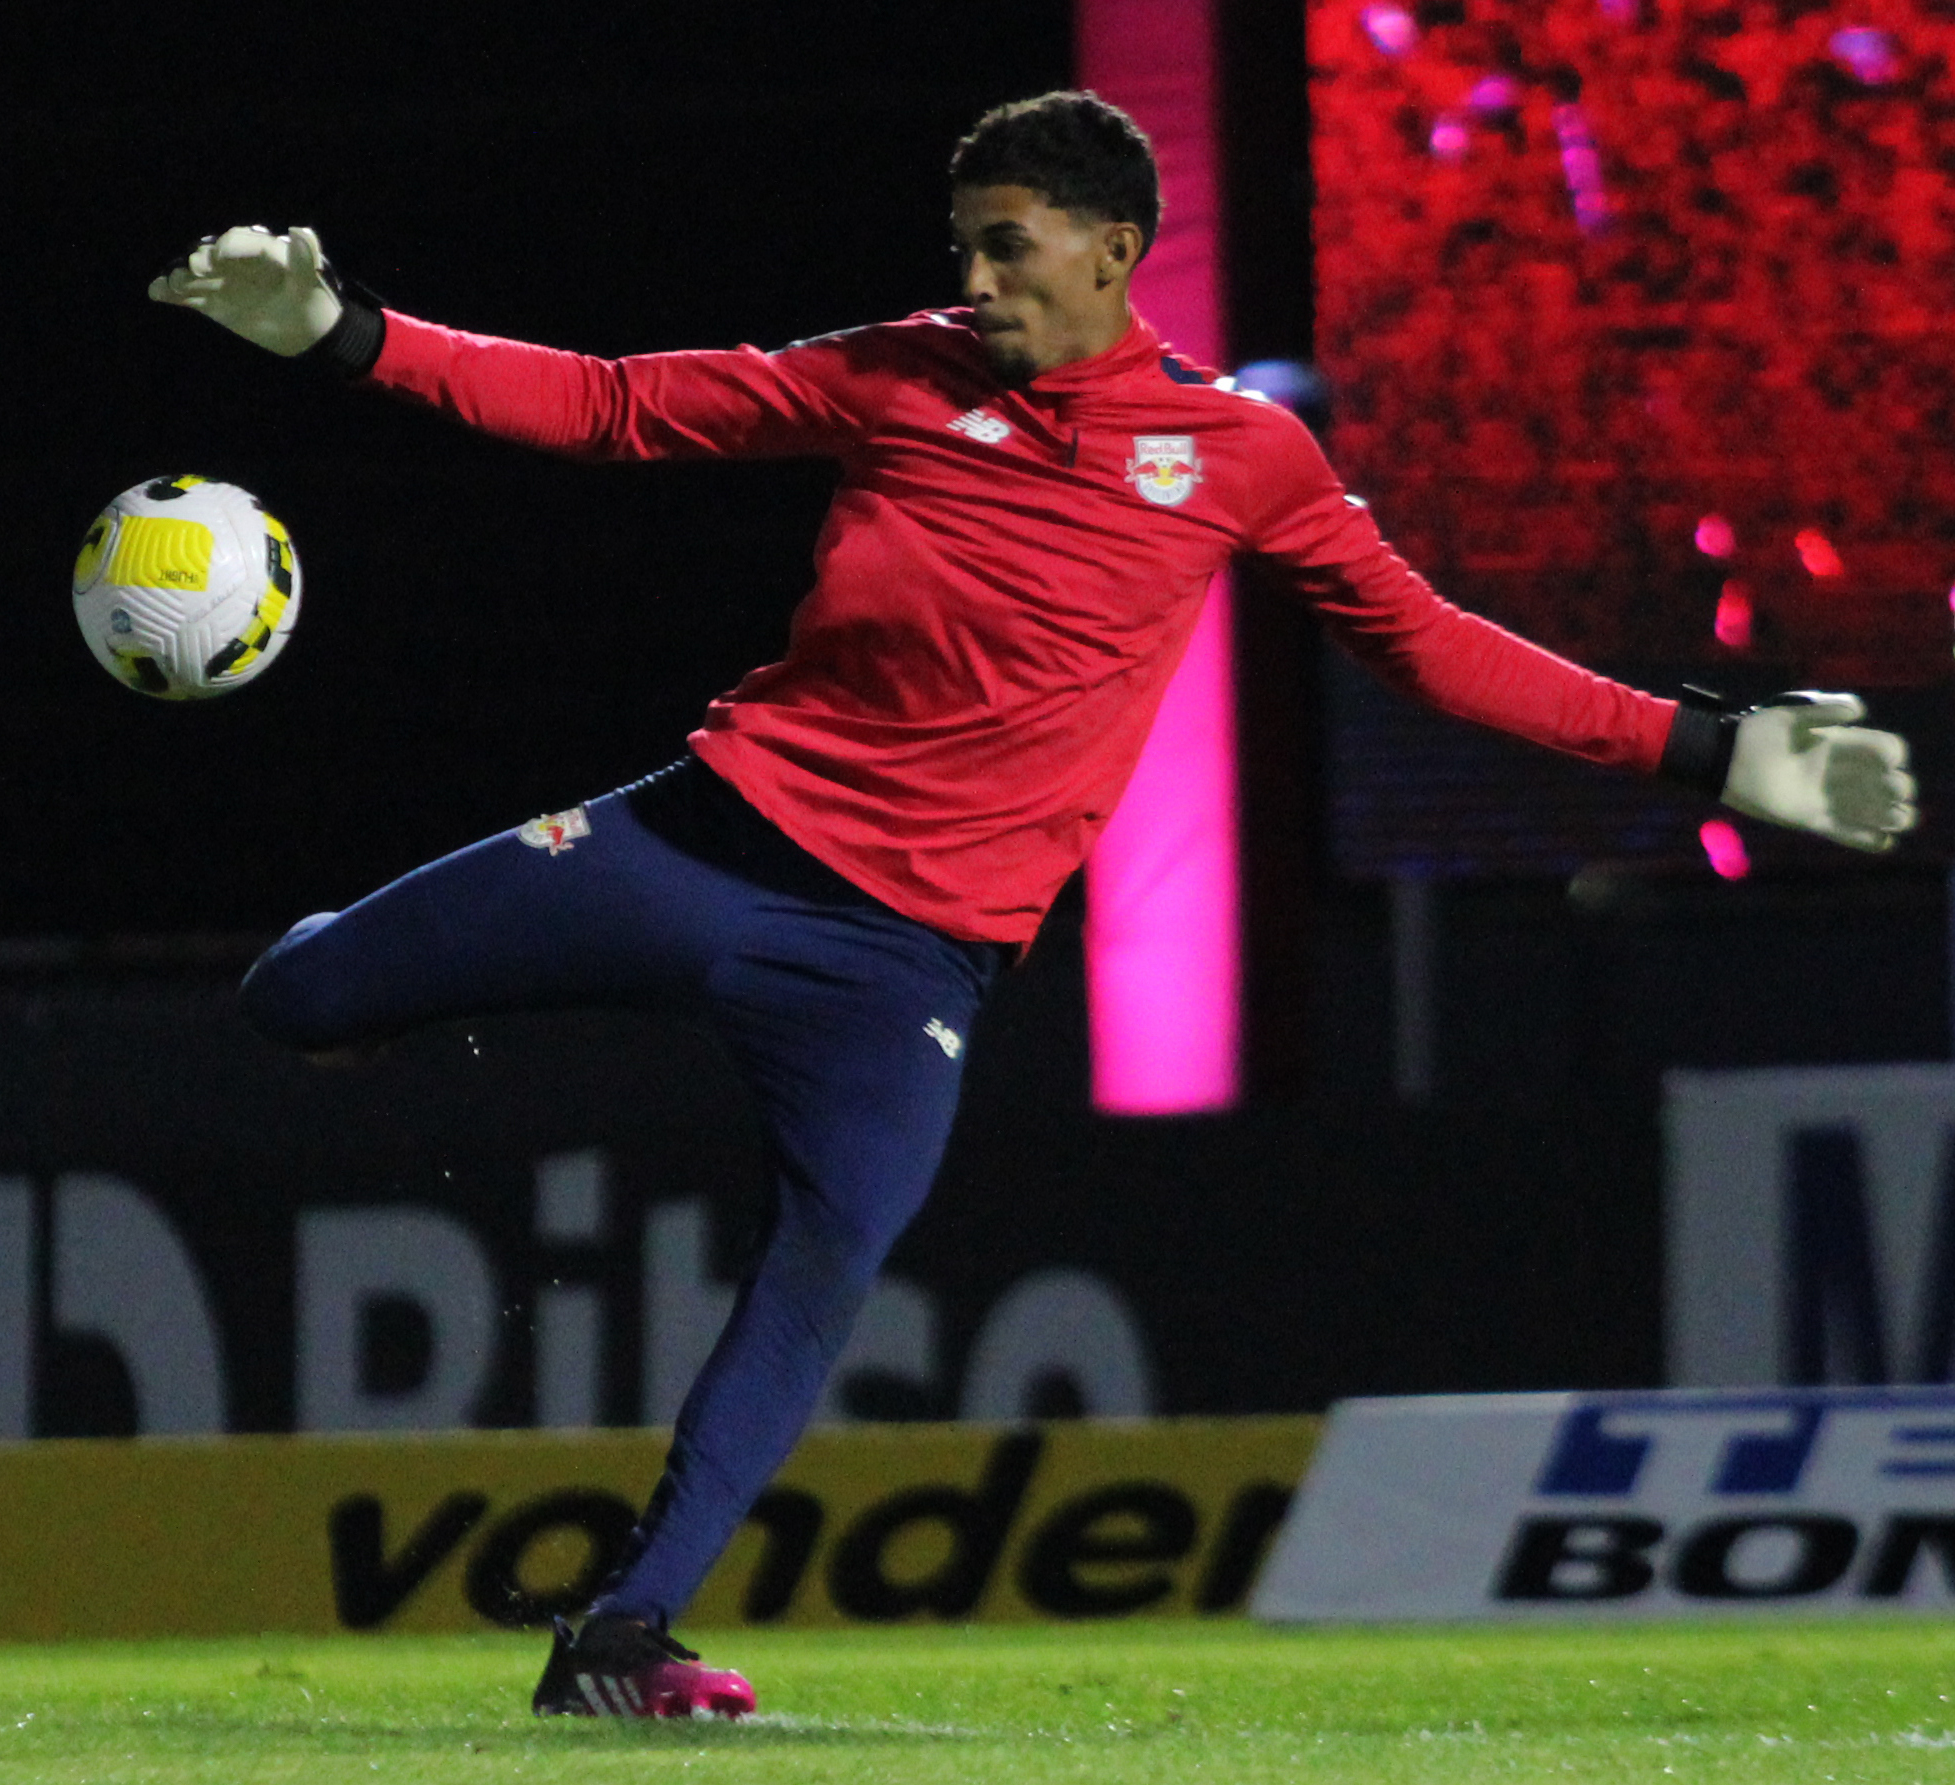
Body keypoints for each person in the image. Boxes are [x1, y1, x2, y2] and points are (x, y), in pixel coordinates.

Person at [149, 90, 1917, 1718]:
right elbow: (617, 406)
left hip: (902, 966)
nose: (973, 274)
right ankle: (369, 989)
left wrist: (1711, 751)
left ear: (1112, 250)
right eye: (965, 243)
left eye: (1005, 242)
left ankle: (621, 1640)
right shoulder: (896, 371)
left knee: (825, 1263)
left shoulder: (1234, 457)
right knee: (294, 1003)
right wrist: (339, 331)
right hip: (705, 843)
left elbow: (1434, 653)